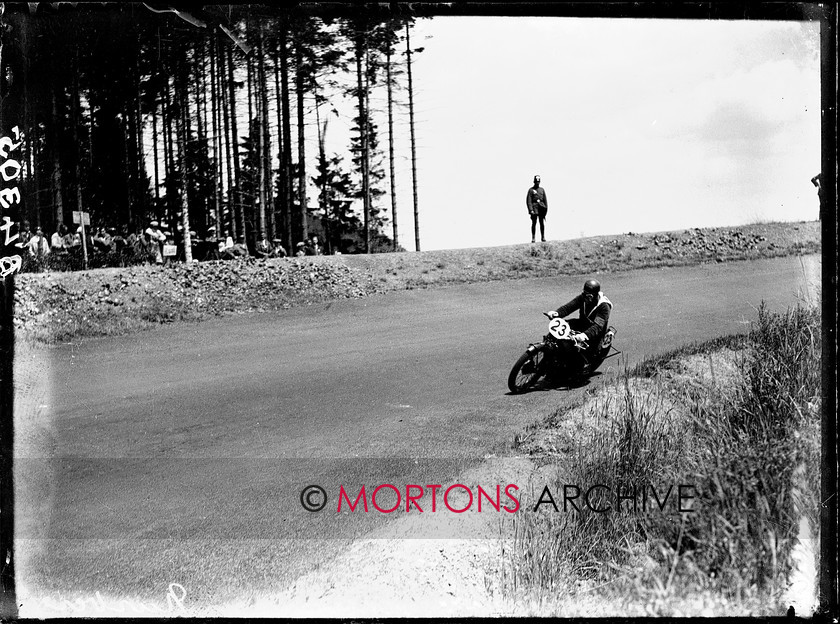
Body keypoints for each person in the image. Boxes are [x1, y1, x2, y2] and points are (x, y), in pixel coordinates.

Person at [547, 279, 613, 373]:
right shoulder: (583, 297)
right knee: (558, 329)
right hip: (581, 324)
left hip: (594, 336)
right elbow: (569, 307)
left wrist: (584, 335)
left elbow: (598, 326)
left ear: (595, 295)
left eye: (589, 295)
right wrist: (556, 313)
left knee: (573, 368)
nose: (586, 298)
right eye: (585, 293)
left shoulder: (604, 306)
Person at [526, 175, 548, 243]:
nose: (537, 183)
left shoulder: (542, 190)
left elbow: (545, 200)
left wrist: (545, 209)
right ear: (534, 182)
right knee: (534, 223)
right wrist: (531, 210)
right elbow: (528, 201)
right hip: (534, 208)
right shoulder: (531, 190)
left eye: (538, 182)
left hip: (541, 208)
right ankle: (533, 237)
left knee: (541, 223)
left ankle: (543, 237)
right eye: (536, 182)